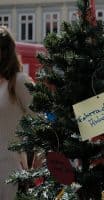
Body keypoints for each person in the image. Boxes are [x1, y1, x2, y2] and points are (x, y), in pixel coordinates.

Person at [0, 26, 33, 199]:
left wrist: (39, 163)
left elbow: (42, 121)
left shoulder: (18, 82)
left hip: (9, 172)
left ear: (3, 52)